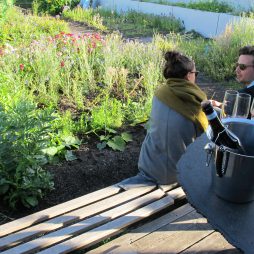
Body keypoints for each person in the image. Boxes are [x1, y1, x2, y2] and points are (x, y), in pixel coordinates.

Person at [118, 51, 208, 189]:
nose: (196, 76)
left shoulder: (160, 93)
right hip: (175, 175)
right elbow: (208, 136)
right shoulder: (196, 104)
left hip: (148, 165)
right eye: (196, 73)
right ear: (188, 75)